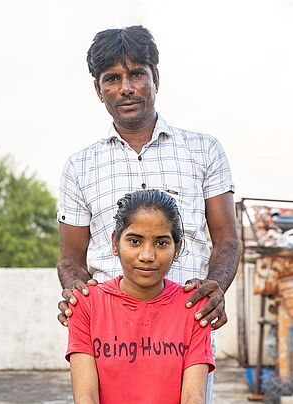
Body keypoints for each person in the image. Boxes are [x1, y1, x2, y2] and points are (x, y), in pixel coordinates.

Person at [57, 25, 241, 403]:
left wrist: (216, 288)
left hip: (186, 331)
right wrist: (78, 296)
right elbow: (70, 259)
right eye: (112, 78)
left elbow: (227, 239)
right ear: (98, 90)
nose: (126, 87)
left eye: (137, 73)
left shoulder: (204, 151)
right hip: (107, 342)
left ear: (156, 78)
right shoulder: (80, 166)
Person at [66, 189, 215, 404]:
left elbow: (194, 397)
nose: (147, 256)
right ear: (115, 244)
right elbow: (86, 398)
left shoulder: (194, 308)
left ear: (177, 249)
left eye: (161, 243)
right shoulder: (86, 305)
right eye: (135, 241)